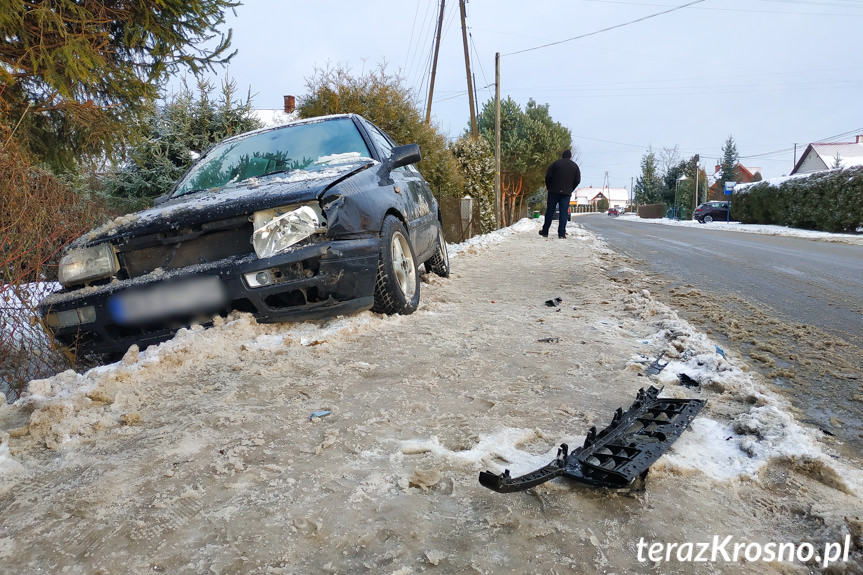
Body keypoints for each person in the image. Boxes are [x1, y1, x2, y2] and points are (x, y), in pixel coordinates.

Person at [540, 149, 581, 239]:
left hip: (553, 192)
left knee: (550, 211)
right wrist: (570, 188)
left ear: (562, 155)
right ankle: (561, 234)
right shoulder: (575, 166)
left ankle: (545, 231)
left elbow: (548, 176)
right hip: (566, 193)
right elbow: (577, 180)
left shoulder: (555, 164)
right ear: (570, 156)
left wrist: (549, 187)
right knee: (563, 213)